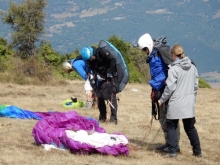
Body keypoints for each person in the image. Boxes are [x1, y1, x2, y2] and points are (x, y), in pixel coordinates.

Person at [137, 33, 180, 151]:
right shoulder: (153, 54)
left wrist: (169, 83)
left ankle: (174, 145)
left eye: (145, 49)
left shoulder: (162, 50)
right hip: (157, 88)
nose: (145, 51)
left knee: (169, 117)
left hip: (166, 88)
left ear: (149, 45)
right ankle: (169, 142)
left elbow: (174, 66)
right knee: (162, 117)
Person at [158, 44, 202, 157]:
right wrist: (193, 99)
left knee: (171, 125)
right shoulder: (193, 67)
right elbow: (196, 86)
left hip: (176, 102)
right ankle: (197, 152)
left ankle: (172, 151)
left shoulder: (174, 69)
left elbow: (170, 88)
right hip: (189, 101)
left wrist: (162, 99)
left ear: (173, 55)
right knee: (190, 127)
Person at [80, 45, 118, 125]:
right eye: (89, 60)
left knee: (111, 96)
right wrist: (93, 81)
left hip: (110, 76)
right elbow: (91, 72)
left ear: (92, 53)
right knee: (99, 95)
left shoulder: (101, 52)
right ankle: (103, 117)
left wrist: (109, 72)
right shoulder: (89, 60)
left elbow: (113, 60)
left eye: (91, 58)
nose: (91, 60)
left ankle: (113, 118)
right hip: (100, 77)